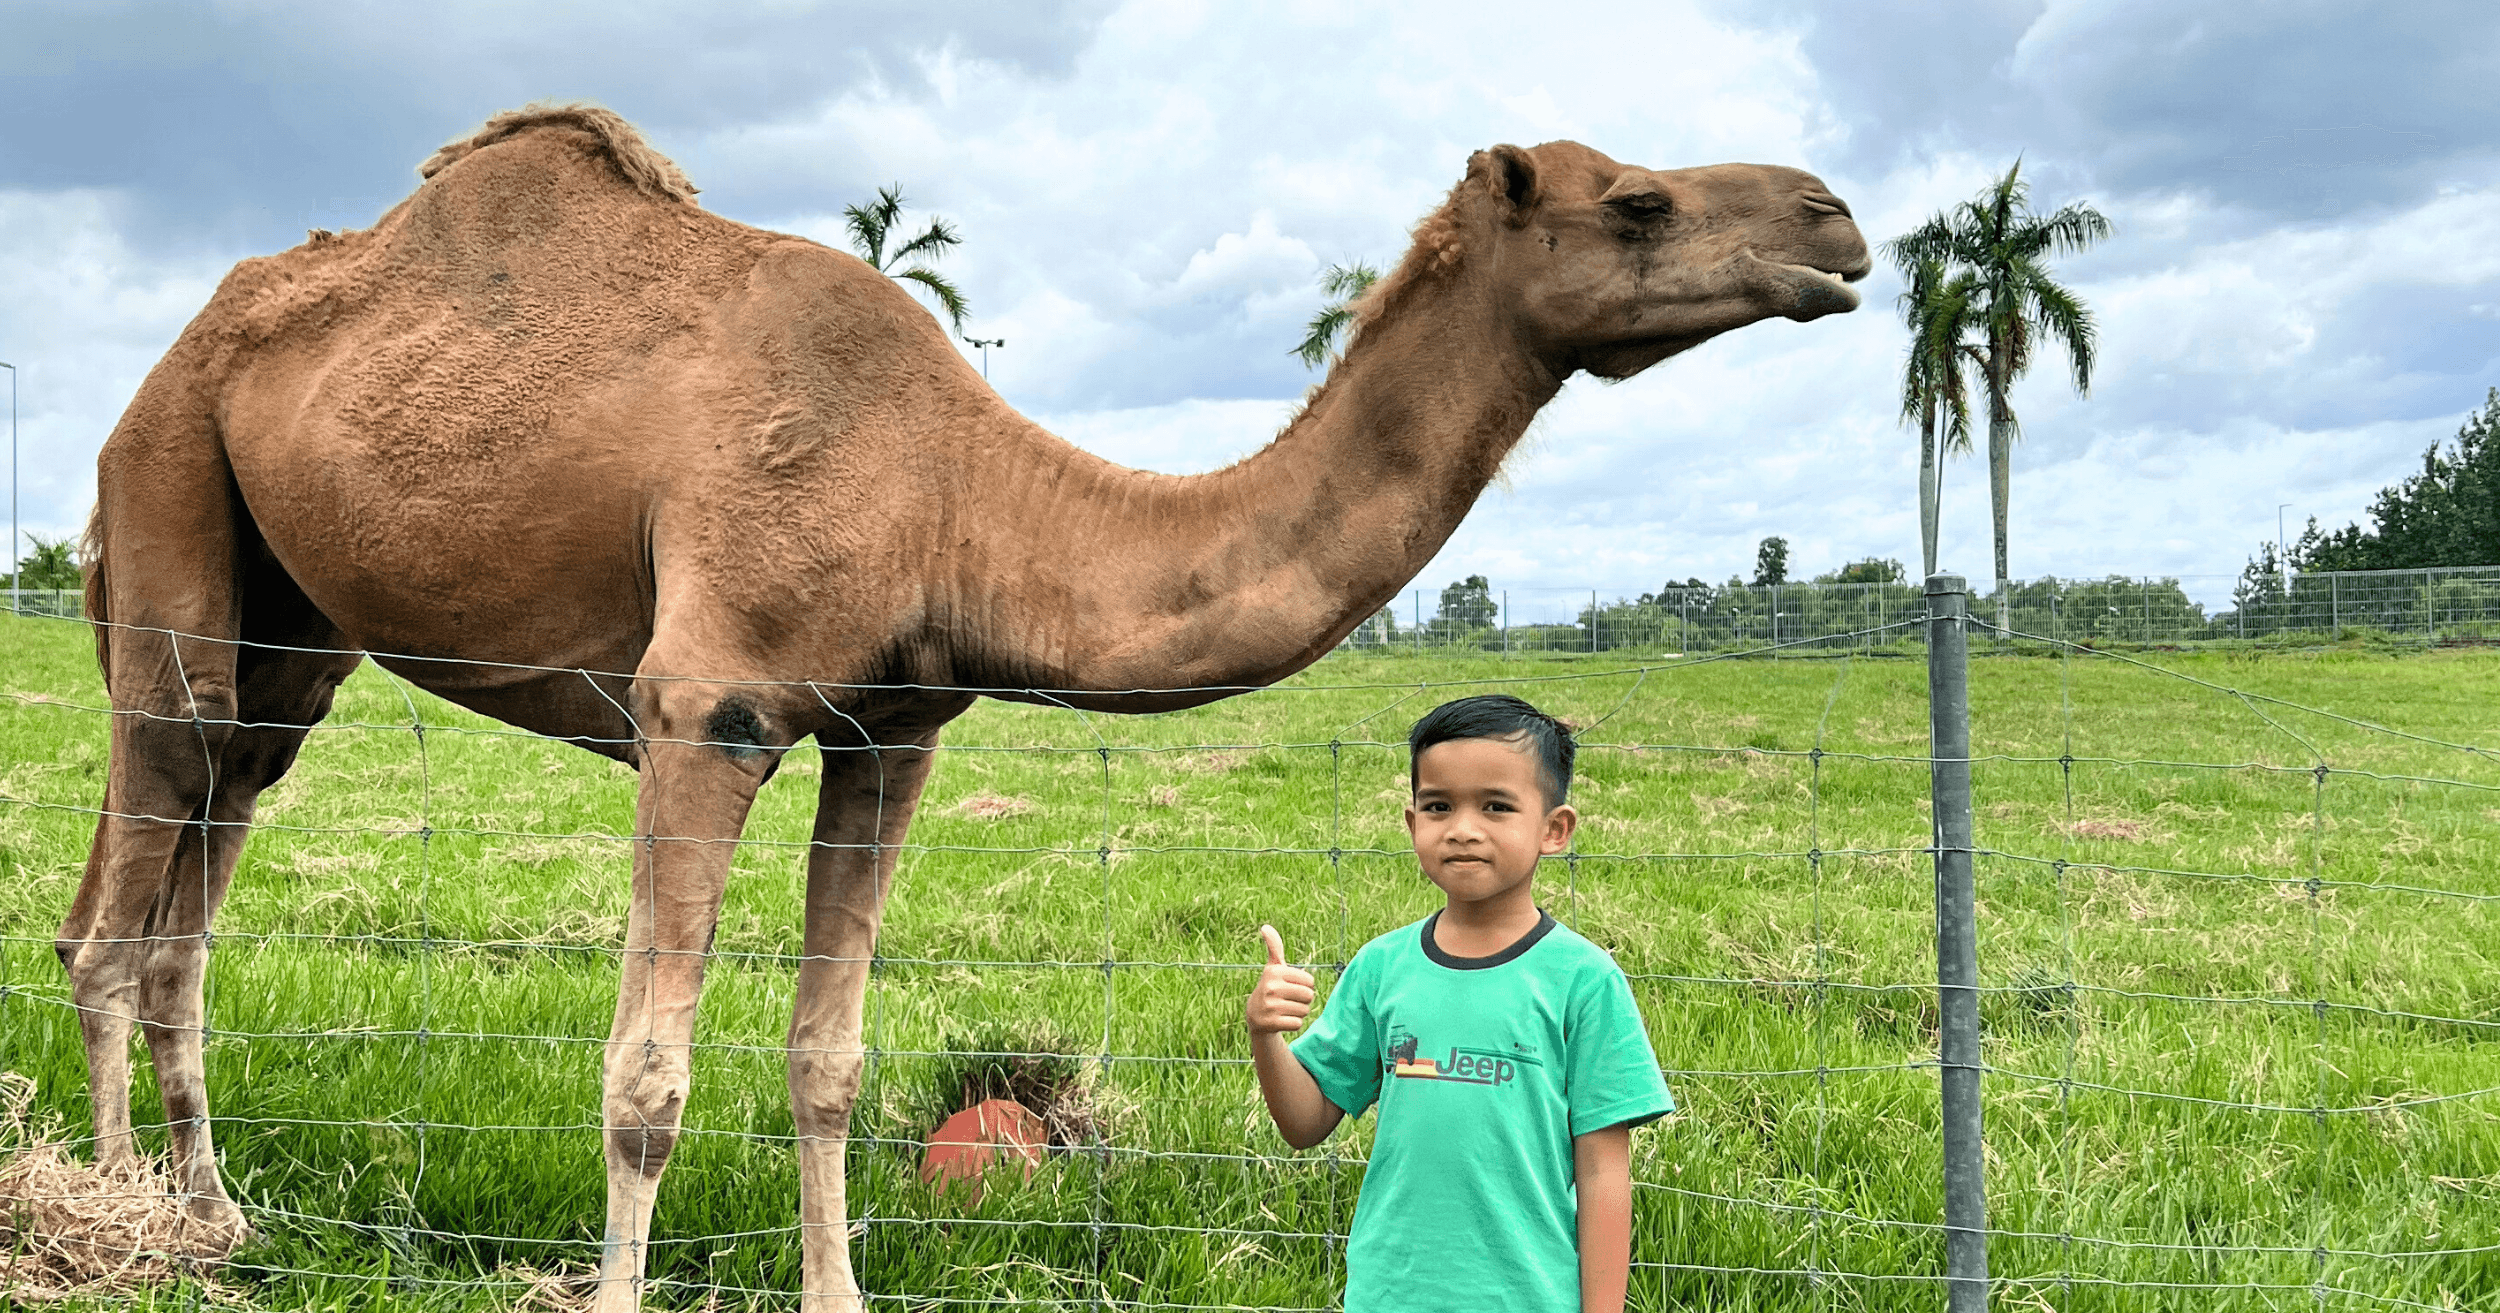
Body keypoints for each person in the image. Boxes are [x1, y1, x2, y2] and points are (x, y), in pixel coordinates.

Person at [1246, 693, 1673, 1313]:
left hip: (1529, 1298)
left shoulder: (1584, 981)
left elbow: (1605, 1173)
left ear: (1555, 830)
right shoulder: (1380, 968)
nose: (1463, 828)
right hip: (1390, 1295)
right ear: (1412, 822)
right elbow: (1304, 1123)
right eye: (1438, 806)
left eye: (1496, 806)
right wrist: (1266, 1036)